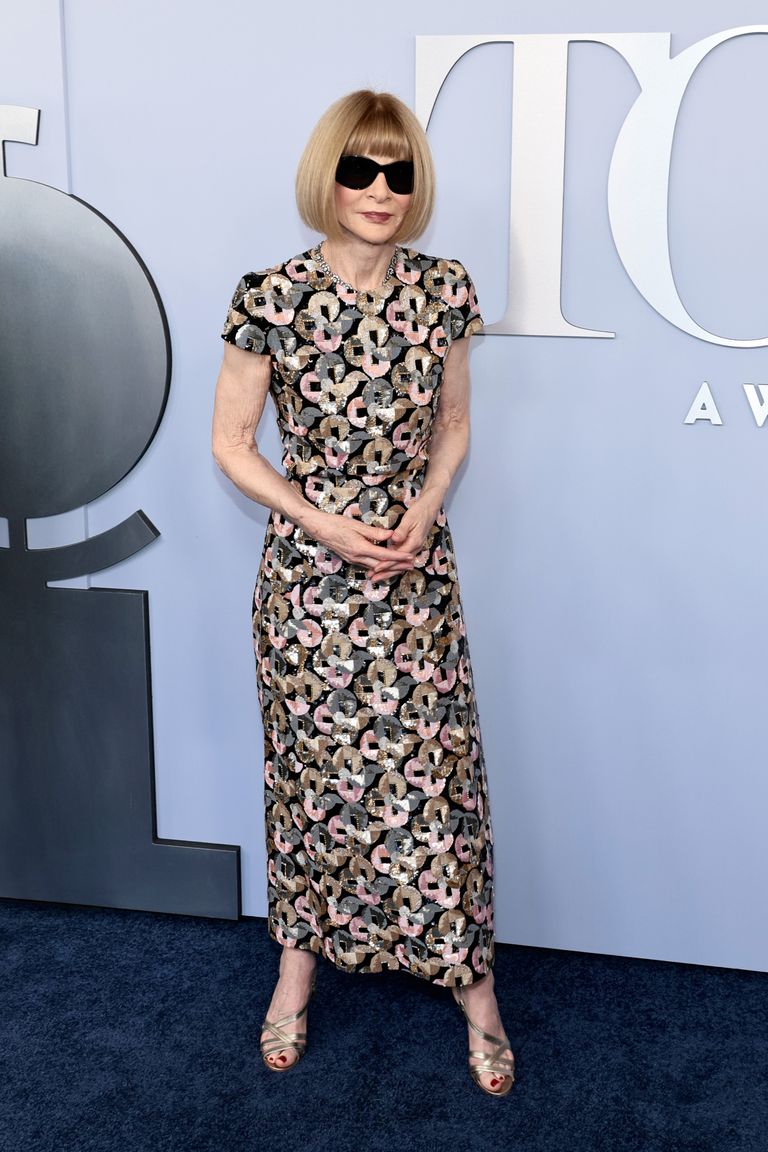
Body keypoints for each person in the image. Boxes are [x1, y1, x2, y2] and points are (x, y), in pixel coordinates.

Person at [211, 89, 514, 1097]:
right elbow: (231, 444)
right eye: (359, 169)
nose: (380, 190)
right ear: (328, 178)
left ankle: (476, 989)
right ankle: (295, 976)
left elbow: (454, 427)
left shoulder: (445, 289)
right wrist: (325, 523)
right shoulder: (271, 296)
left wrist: (424, 509)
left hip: (415, 570)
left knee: (438, 787)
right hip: (310, 582)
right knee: (313, 784)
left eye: (399, 172)